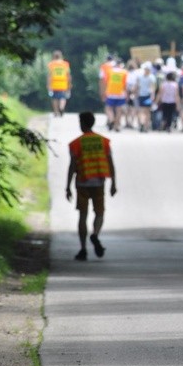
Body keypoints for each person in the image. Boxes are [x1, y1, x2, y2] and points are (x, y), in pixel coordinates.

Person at [65, 111, 117, 261]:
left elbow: (72, 166)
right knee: (99, 213)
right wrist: (114, 183)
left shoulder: (75, 144)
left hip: (82, 182)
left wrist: (67, 186)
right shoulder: (104, 142)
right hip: (99, 182)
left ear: (82, 123)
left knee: (83, 216)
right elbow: (110, 163)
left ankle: (83, 249)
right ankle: (95, 234)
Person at [102, 60, 128, 132]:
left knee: (108, 108)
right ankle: (117, 126)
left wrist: (104, 92)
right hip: (121, 93)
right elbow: (125, 84)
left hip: (111, 93)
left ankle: (111, 119)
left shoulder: (109, 71)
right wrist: (126, 94)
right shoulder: (124, 72)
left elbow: (106, 82)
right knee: (119, 110)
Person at [47, 50, 72, 117]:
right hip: (63, 84)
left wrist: (48, 85)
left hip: (54, 84)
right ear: (61, 56)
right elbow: (68, 75)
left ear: (54, 56)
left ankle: (56, 112)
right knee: (63, 98)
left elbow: (49, 76)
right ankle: (61, 108)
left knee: (55, 98)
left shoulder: (51, 64)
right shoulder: (65, 64)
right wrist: (69, 84)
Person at [136, 63, 156, 132]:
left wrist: (136, 94)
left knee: (141, 111)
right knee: (147, 112)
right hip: (148, 96)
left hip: (141, 95)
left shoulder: (140, 77)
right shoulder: (152, 77)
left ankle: (141, 123)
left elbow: (137, 86)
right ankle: (146, 126)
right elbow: (152, 88)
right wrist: (152, 96)